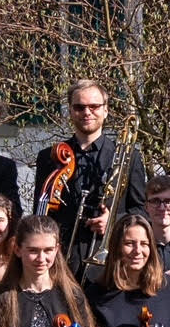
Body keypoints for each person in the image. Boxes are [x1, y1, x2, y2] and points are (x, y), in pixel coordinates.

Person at [33, 79, 136, 274]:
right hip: (61, 261)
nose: (87, 112)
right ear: (70, 111)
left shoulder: (128, 156)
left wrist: (114, 221)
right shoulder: (49, 157)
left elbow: (140, 210)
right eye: (79, 107)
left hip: (110, 261)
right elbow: (40, 214)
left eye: (94, 106)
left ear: (106, 110)